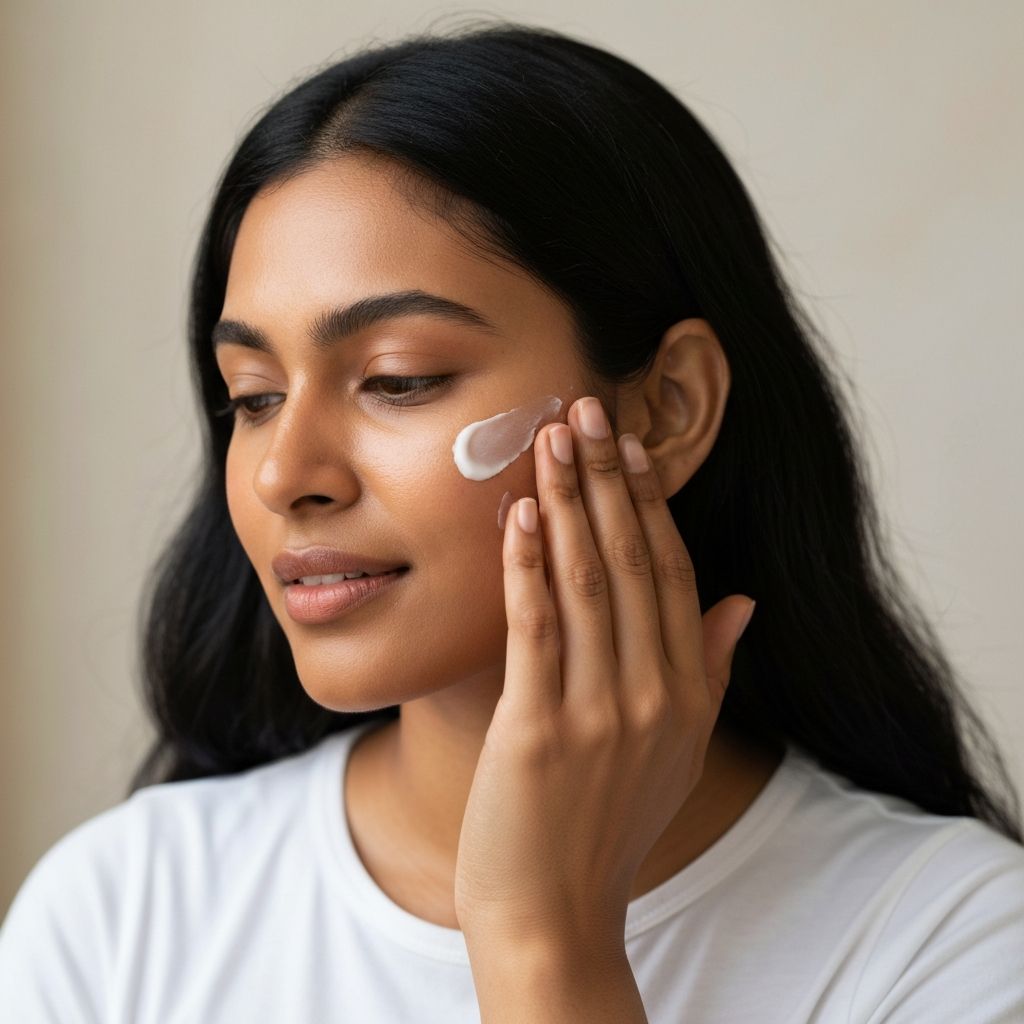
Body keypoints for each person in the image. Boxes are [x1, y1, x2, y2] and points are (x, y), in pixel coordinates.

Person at [1, 18, 1022, 1024]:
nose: (284, 475)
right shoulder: (118, 916)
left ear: (667, 408)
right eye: (254, 396)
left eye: (399, 378)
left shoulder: (952, 945)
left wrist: (545, 942)